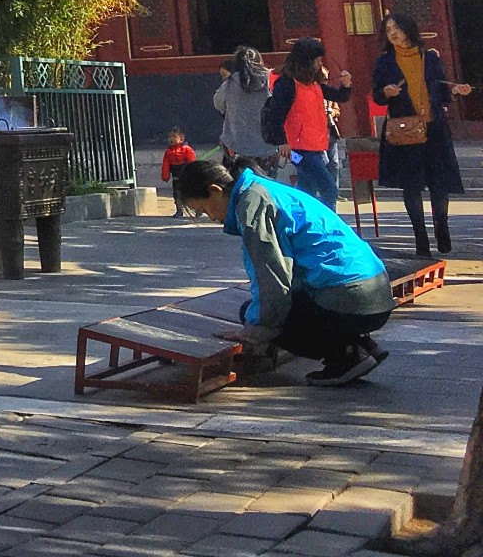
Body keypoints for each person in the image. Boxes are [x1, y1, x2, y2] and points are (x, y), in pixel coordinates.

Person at [173, 158, 395, 386]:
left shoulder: (252, 204)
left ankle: (345, 355)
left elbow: (272, 277)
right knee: (263, 310)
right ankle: (362, 346)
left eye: (203, 209)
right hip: (376, 293)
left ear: (215, 190)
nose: (211, 217)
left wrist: (255, 332)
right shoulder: (263, 189)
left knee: (260, 316)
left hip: (353, 298)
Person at [373, 11, 473, 256]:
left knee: (439, 185)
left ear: (408, 28)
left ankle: (442, 226)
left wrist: (457, 91)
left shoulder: (430, 58)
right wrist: (386, 92)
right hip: (405, 132)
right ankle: (420, 238)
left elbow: (442, 91)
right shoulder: (384, 62)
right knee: (411, 186)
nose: (393, 33)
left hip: (434, 129)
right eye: (388, 30)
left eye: (396, 27)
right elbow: (376, 94)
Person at [268, 37, 352, 208]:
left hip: (315, 145)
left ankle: (301, 227)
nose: (320, 64)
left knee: (307, 192)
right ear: (306, 61)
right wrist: (282, 142)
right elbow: (275, 114)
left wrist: (347, 85)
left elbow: (340, 96)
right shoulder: (287, 84)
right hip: (298, 148)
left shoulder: (314, 84)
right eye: (317, 60)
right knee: (329, 190)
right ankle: (327, 226)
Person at [214, 47, 276, 173]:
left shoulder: (230, 82)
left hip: (237, 144)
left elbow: (218, 104)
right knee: (267, 181)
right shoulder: (272, 79)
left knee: (239, 182)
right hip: (268, 144)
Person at [161, 127, 198, 215]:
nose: (171, 139)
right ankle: (179, 210)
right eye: (169, 137)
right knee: (177, 194)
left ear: (181, 139)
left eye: (174, 137)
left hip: (186, 177)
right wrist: (165, 176)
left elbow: (192, 163)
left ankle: (197, 209)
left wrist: (192, 174)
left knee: (191, 194)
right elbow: (165, 165)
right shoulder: (168, 152)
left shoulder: (187, 149)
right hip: (175, 176)